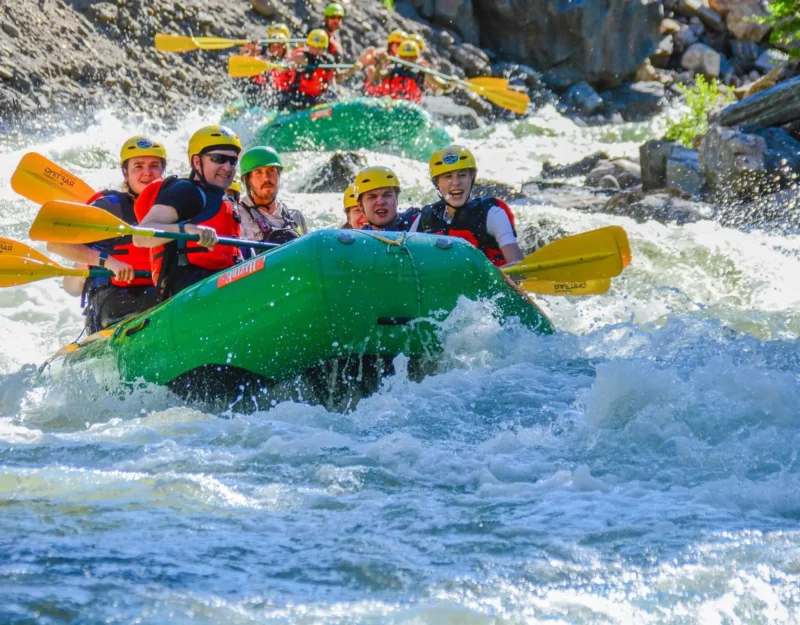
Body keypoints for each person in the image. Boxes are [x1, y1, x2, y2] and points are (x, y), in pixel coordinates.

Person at [51, 135, 165, 333]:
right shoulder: (111, 206)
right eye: (138, 166)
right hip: (113, 299)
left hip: (158, 294)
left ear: (163, 171)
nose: (147, 173)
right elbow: (56, 242)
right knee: (153, 299)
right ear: (126, 174)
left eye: (154, 165)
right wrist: (107, 261)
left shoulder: (172, 207)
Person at [132, 125, 243, 298]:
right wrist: (186, 229)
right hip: (188, 291)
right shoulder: (186, 191)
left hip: (221, 282)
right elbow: (140, 236)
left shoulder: (226, 200)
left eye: (233, 161)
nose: (228, 168)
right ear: (197, 162)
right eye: (219, 159)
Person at [410, 145, 523, 267]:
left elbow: (518, 268)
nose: (456, 183)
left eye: (462, 175)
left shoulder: (492, 214)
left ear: (472, 178)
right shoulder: (425, 218)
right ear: (437, 183)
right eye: (448, 177)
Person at [237, 146, 308, 245]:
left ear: (278, 175)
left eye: (271, 170)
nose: (266, 178)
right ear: (247, 180)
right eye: (258, 172)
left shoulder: (295, 215)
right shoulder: (237, 217)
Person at [368, 40, 450, 103]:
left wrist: (451, 83)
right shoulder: (393, 68)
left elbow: (444, 86)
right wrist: (381, 64)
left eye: (411, 57)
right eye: (404, 57)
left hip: (411, 109)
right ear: (399, 57)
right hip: (392, 104)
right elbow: (375, 81)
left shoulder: (423, 72)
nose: (407, 60)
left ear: (417, 57)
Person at [353, 166, 418, 232]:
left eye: (387, 195)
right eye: (372, 197)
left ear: (396, 199)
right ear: (360, 205)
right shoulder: (358, 238)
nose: (381, 202)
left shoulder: (416, 221)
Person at [288, 29, 337, 110]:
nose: (315, 50)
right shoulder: (300, 56)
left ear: (324, 48)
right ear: (308, 45)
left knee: (331, 97)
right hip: (298, 96)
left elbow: (332, 82)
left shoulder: (328, 62)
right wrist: (292, 65)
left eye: (319, 48)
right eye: (313, 47)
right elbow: (288, 63)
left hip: (318, 97)